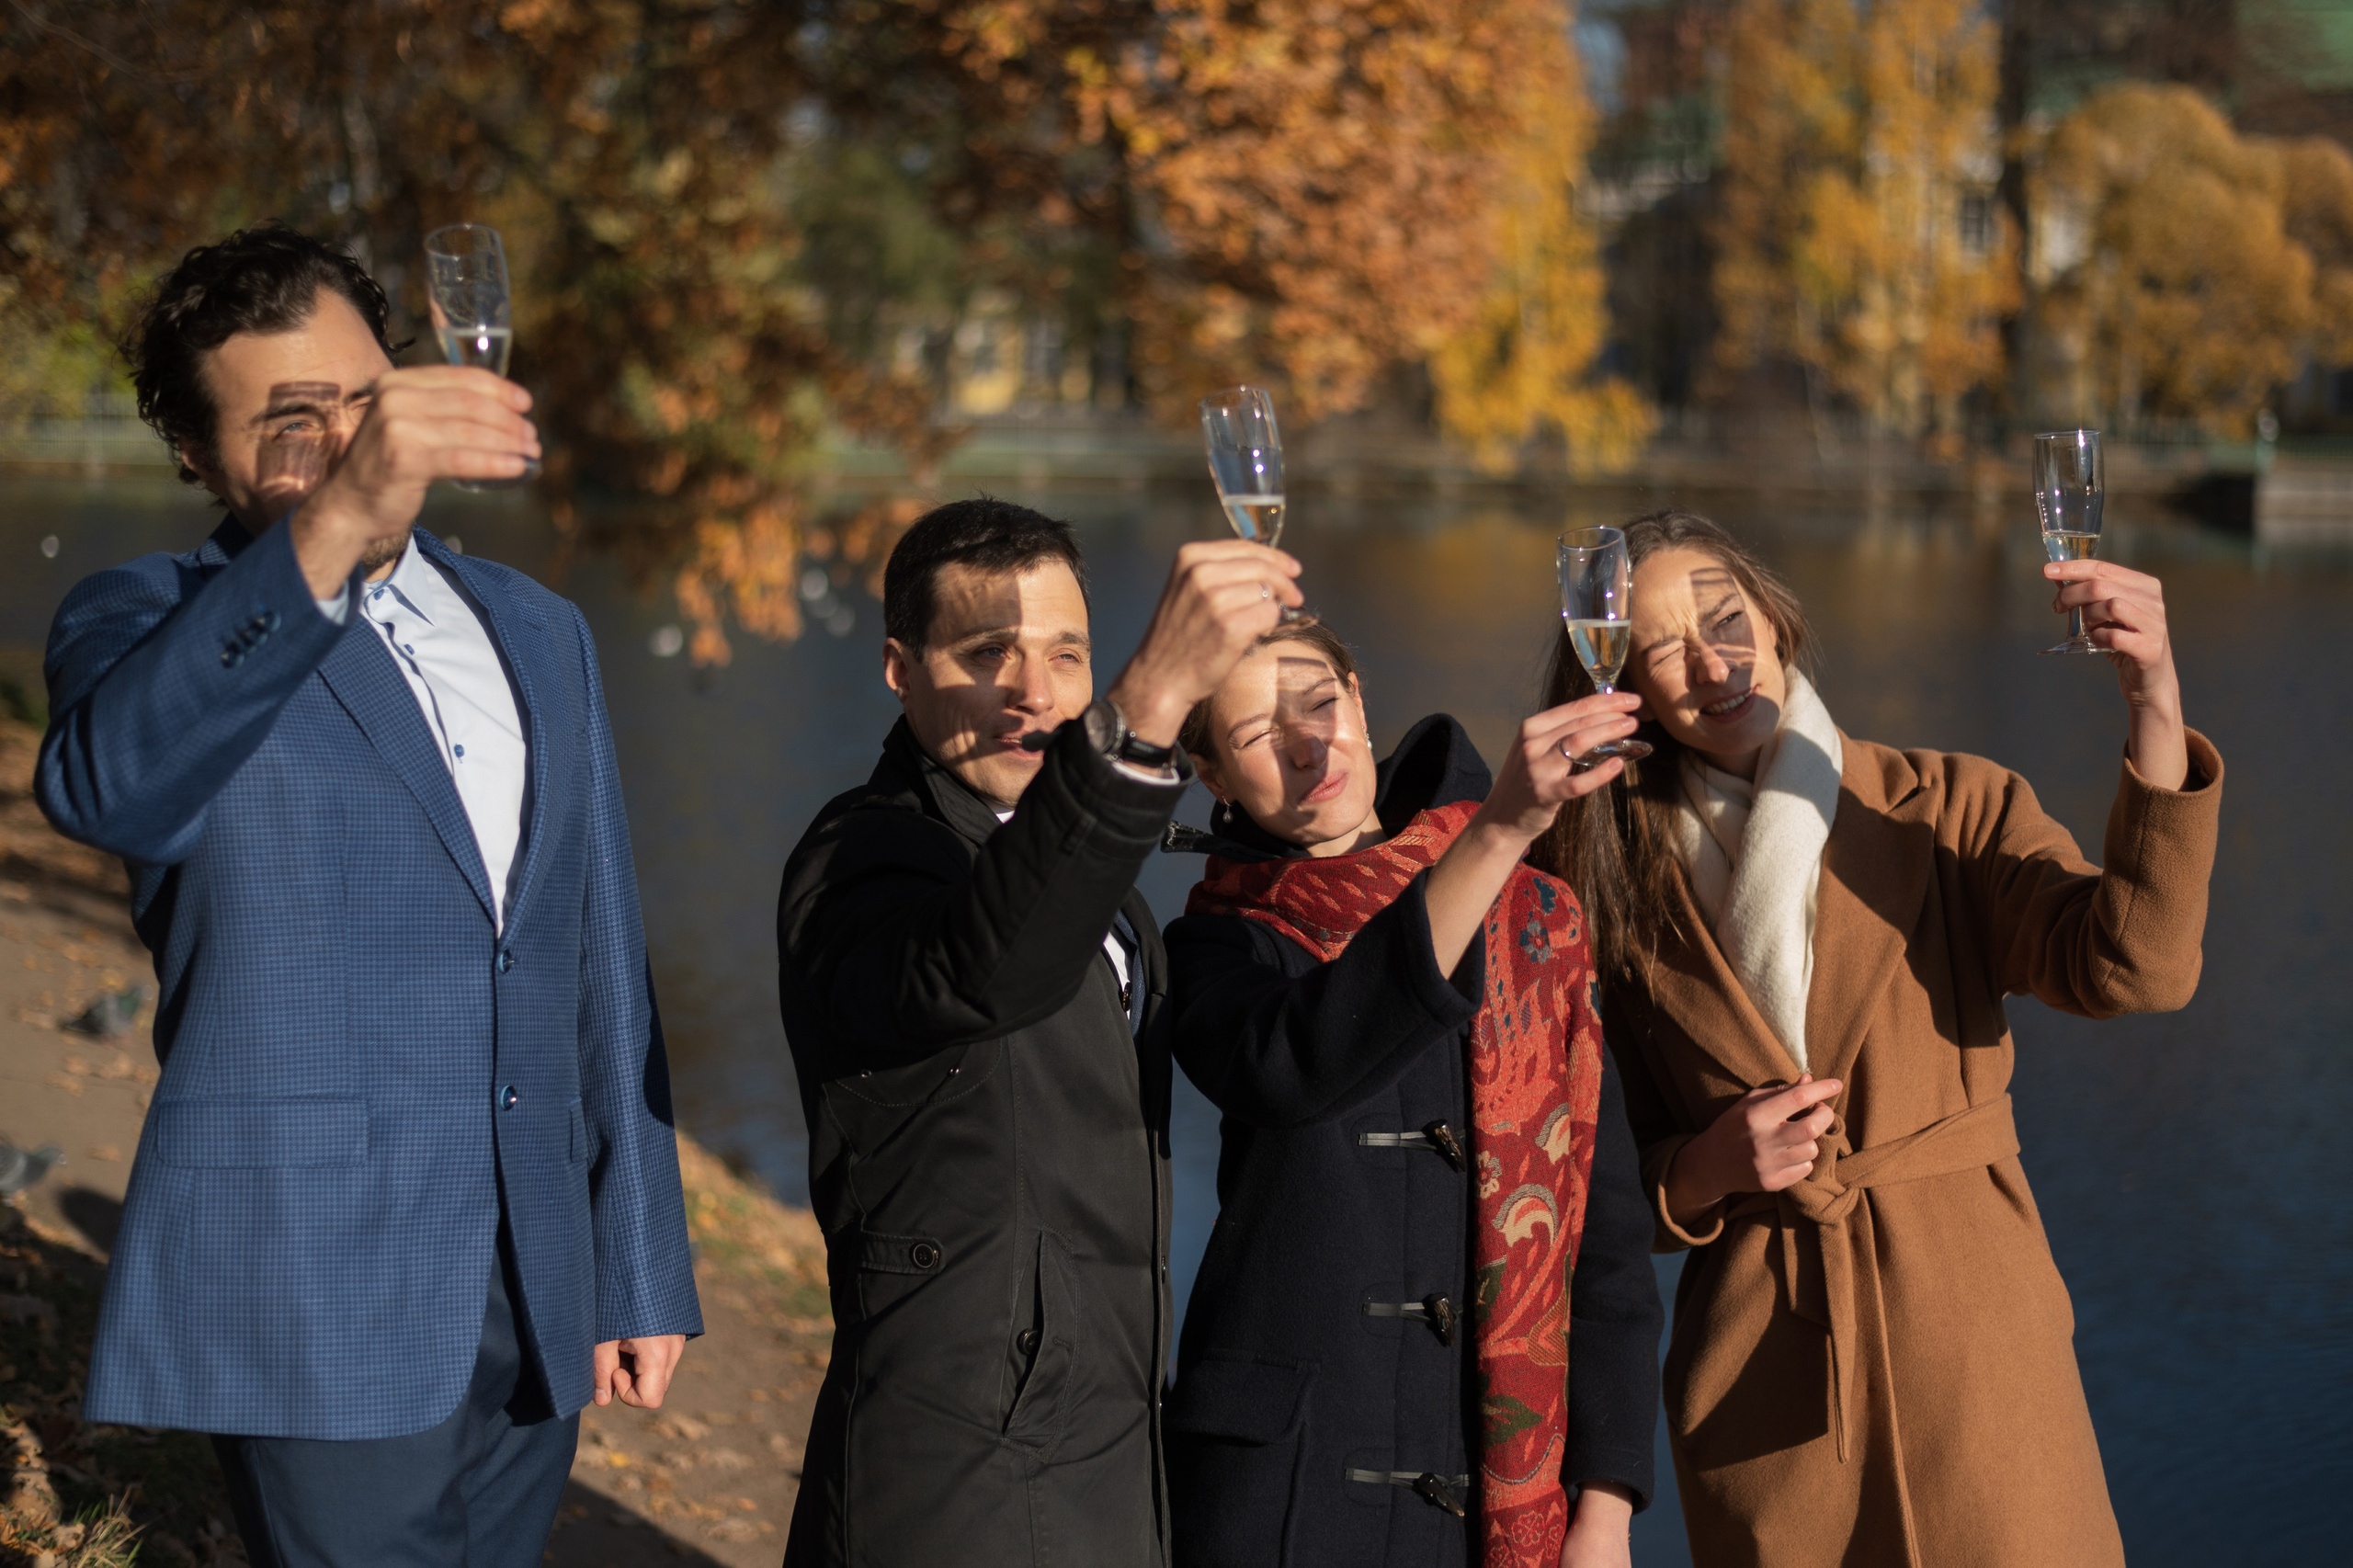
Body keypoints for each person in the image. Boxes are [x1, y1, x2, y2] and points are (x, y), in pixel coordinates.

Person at [35, 224, 700, 1566]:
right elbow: (110, 790)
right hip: (309, 1278)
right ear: (192, 451)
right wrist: (339, 523)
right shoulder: (145, 616)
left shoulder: (538, 626)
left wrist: (637, 1257)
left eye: (364, 399)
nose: (345, 440)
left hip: (534, 1275)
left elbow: (596, 956)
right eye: (290, 420)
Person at [1530, 510, 2222, 1568]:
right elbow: (1589, 1184)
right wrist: (1704, 1168)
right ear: (1617, 678)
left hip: (1979, 1358)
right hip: (1766, 1385)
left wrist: (2153, 698)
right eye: (1663, 649)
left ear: (1776, 617)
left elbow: (2133, 965)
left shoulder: (1945, 804)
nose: (1713, 664)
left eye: (1726, 618)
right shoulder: (1606, 882)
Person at [775, 498, 1302, 1567]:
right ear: (899, 667)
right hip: (949, 1472)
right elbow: (982, 966)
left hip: (1109, 1449)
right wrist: (1145, 703)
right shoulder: (865, 857)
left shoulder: (1112, 897)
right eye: (987, 652)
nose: (1036, 691)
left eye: (1069, 655)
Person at [1159, 619, 1663, 1568]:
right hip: (1283, 1494)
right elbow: (1292, 1063)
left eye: (1320, 703)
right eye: (1260, 736)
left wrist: (1606, 1504)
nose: (1310, 744)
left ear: (1358, 696)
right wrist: (1502, 827)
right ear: (1214, 777)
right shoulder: (1217, 945)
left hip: (1495, 1495)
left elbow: (1602, 1240)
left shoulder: (1537, 919)